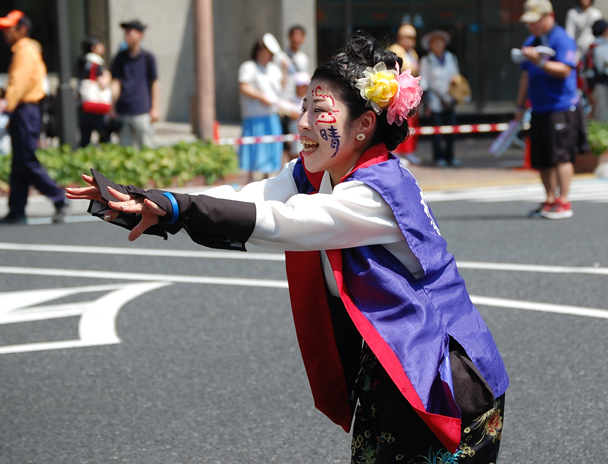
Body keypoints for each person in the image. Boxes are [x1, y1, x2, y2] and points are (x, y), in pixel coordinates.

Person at [66, 31, 509, 463]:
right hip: (393, 366)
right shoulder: (321, 174)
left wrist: (180, 208)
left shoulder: (376, 192)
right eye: (303, 108)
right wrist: (159, 202)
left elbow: (286, 222)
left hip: (445, 379)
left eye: (319, 111)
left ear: (364, 125)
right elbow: (252, 198)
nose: (302, 124)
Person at [515, 0, 587, 220]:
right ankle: (549, 199)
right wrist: (519, 104)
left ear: (550, 17)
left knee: (561, 156)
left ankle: (564, 201)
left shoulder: (561, 38)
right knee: (542, 157)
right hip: (539, 107)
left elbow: (565, 69)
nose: (532, 27)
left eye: (535, 22)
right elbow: (526, 75)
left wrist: (540, 62)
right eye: (529, 23)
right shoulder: (531, 41)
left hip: (561, 106)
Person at [0, 10, 66, 225]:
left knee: (26, 160)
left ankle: (59, 198)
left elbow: (19, 83)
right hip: (25, 109)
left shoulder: (24, 51)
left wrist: (7, 106)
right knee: (20, 163)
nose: (6, 32)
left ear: (23, 29)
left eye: (10, 27)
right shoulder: (24, 50)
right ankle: (17, 210)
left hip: (26, 109)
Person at [238, 37, 284, 183]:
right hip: (254, 116)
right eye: (262, 52)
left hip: (272, 115)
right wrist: (260, 97)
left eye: (267, 53)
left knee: (271, 149)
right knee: (255, 150)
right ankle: (250, 180)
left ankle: (267, 180)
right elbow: (244, 86)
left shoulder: (273, 69)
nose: (264, 55)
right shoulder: (249, 67)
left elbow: (280, 87)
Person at [110, 19, 159, 149]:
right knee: (125, 150)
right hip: (123, 109)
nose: (127, 36)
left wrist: (155, 107)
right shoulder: (119, 58)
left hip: (141, 109)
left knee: (147, 147)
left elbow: (154, 83)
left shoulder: (148, 57)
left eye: (130, 33)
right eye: (125, 33)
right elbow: (116, 83)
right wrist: (112, 107)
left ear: (140, 35)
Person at [420, 30, 462, 167]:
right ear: (430, 45)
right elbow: (424, 82)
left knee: (452, 130)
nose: (438, 44)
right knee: (436, 131)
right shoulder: (427, 60)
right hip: (435, 101)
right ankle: (438, 157)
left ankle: (450, 155)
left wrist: (455, 96)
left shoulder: (451, 58)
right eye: (434, 42)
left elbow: (456, 77)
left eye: (440, 41)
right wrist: (426, 103)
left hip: (449, 100)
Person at [388, 24, 422, 165]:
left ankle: (409, 152)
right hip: (398, 92)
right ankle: (397, 151)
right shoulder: (395, 50)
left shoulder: (412, 52)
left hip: (410, 92)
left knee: (411, 122)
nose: (409, 40)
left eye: (411, 38)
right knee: (398, 121)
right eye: (406, 37)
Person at [278, 25, 310, 163]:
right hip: (285, 102)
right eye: (294, 35)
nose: (297, 38)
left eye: (300, 35)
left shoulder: (303, 58)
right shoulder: (280, 57)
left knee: (297, 141)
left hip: (299, 103)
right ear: (289, 37)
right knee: (285, 142)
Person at [77, 36, 112, 147]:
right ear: (94, 48)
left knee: (85, 141)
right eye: (100, 45)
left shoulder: (82, 62)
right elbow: (103, 84)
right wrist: (108, 75)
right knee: (106, 140)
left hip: (84, 106)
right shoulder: (96, 63)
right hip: (97, 109)